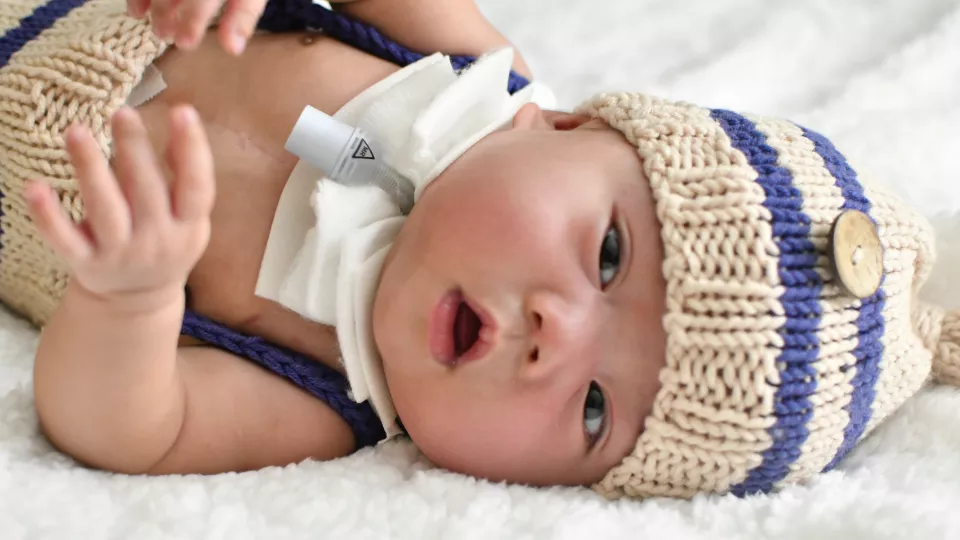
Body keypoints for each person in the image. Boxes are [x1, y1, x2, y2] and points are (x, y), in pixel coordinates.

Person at [5, 0, 958, 501]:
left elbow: (131, 430)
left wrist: (129, 302)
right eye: (612, 257)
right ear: (564, 125)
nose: (555, 336)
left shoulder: (326, 388)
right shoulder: (457, 70)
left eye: (594, 411)